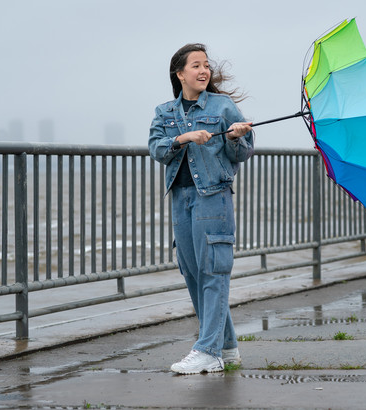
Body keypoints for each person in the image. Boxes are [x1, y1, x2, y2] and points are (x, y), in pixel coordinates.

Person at [148, 43, 255, 374]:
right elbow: (156, 148)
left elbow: (243, 152)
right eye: (196, 65)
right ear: (180, 74)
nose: (204, 70)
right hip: (181, 197)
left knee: (213, 271)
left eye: (206, 65)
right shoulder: (165, 112)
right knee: (193, 273)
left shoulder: (223, 107)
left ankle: (207, 350)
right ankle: (227, 347)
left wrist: (237, 137)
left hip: (213, 196)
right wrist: (185, 138)